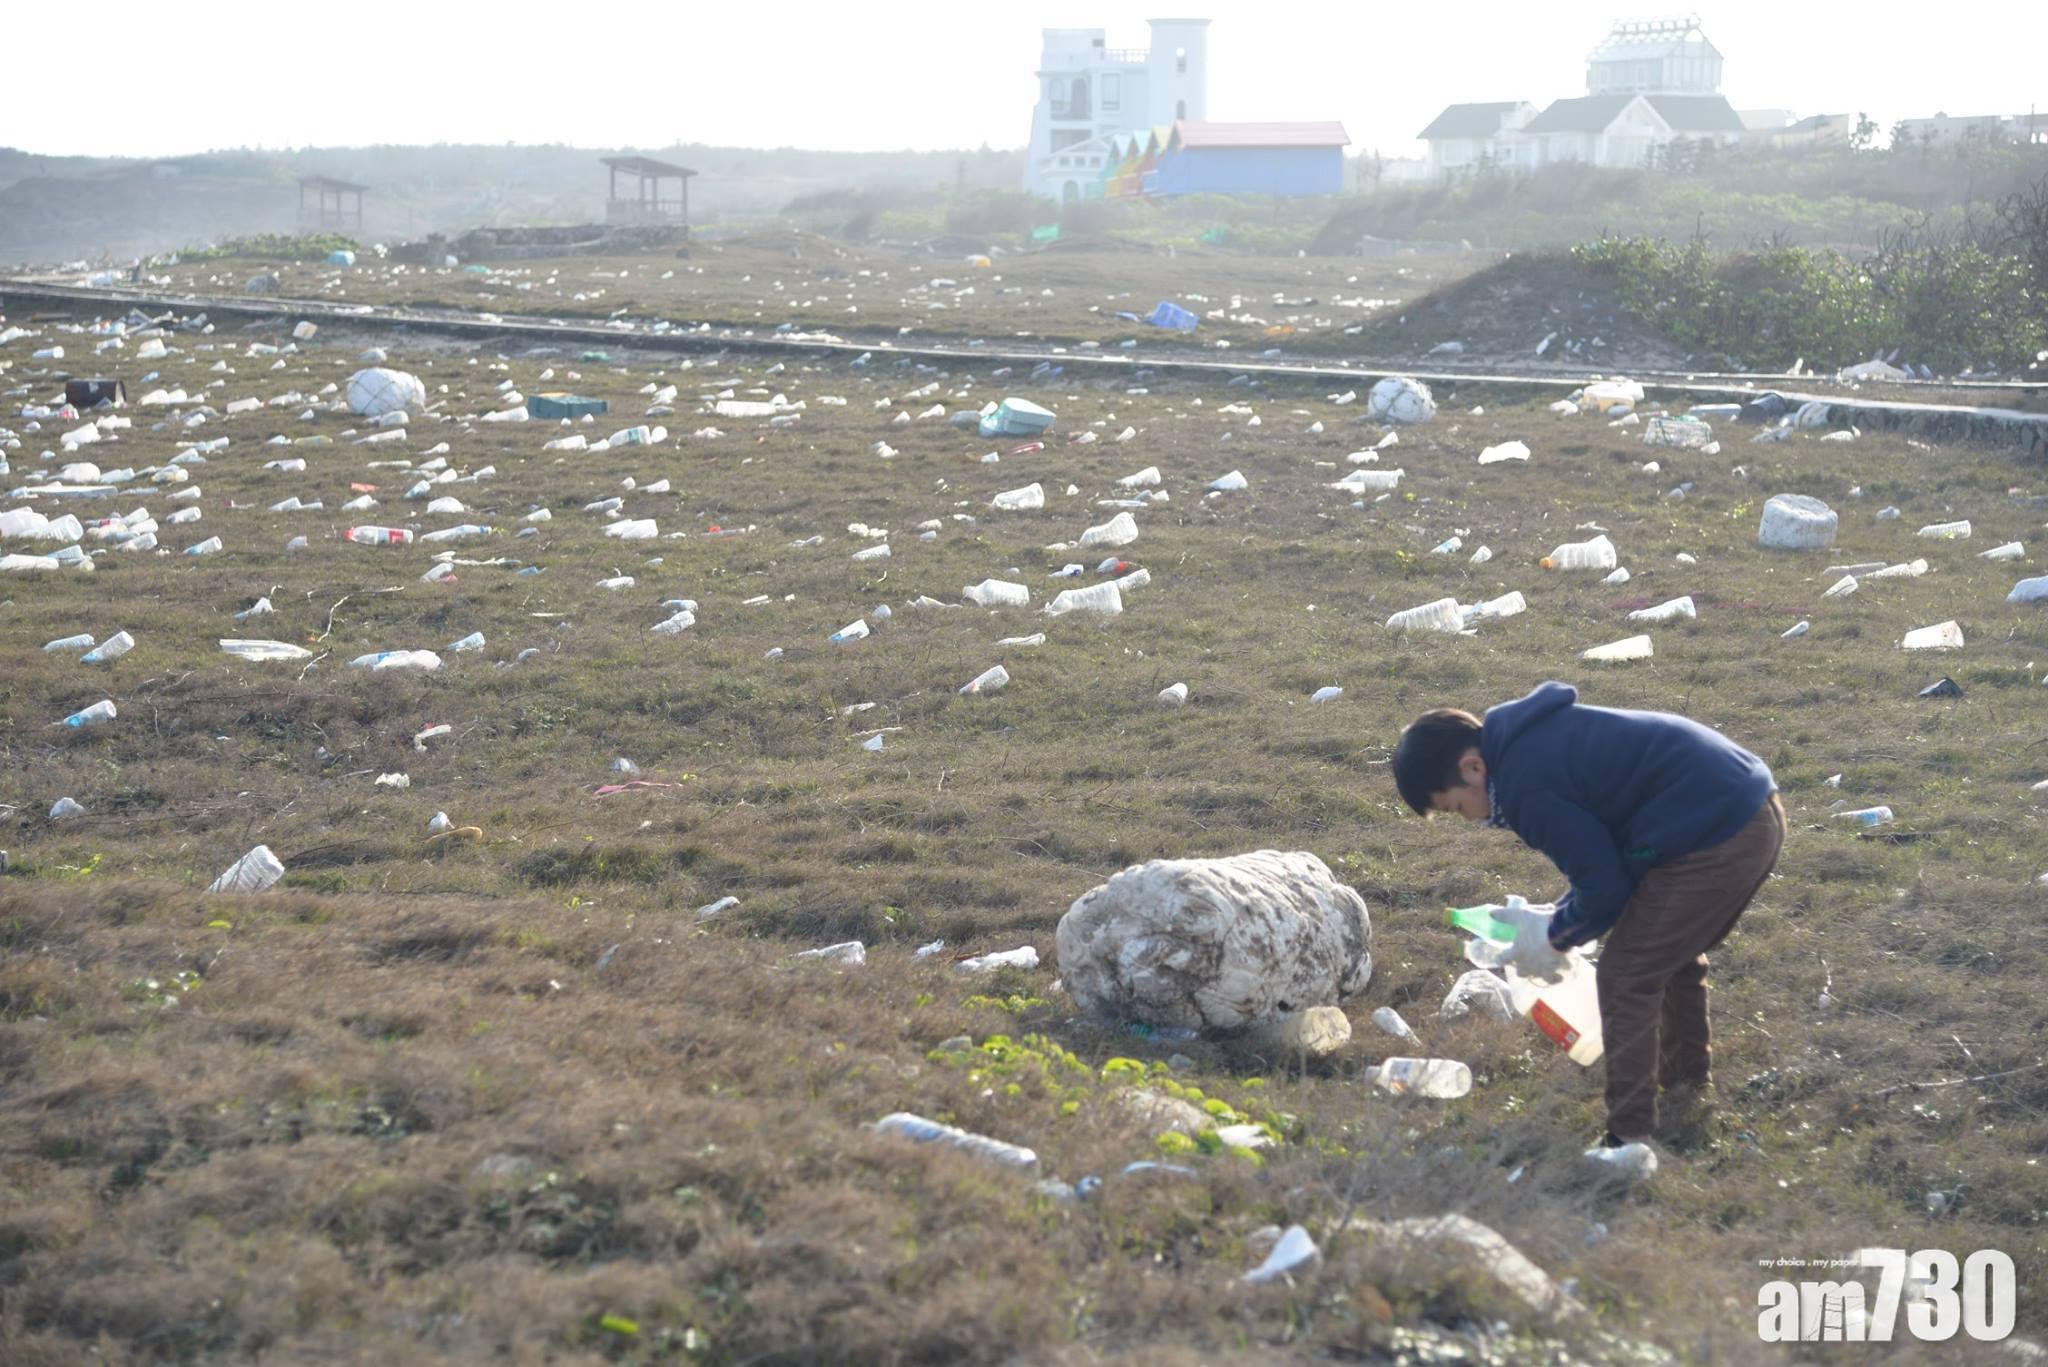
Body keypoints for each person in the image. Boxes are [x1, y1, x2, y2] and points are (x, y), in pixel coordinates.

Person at [1392, 682, 1784, 1146]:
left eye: (1457, 807)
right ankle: (1684, 1085)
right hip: (1745, 805)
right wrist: (1557, 918)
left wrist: (1555, 936)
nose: (1472, 819)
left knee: (1626, 973)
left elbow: (1604, 893)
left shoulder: (1523, 787)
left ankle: (1628, 1136)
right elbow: (1602, 871)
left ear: (1472, 767)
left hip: (1717, 830)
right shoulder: (1524, 745)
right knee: (1668, 952)